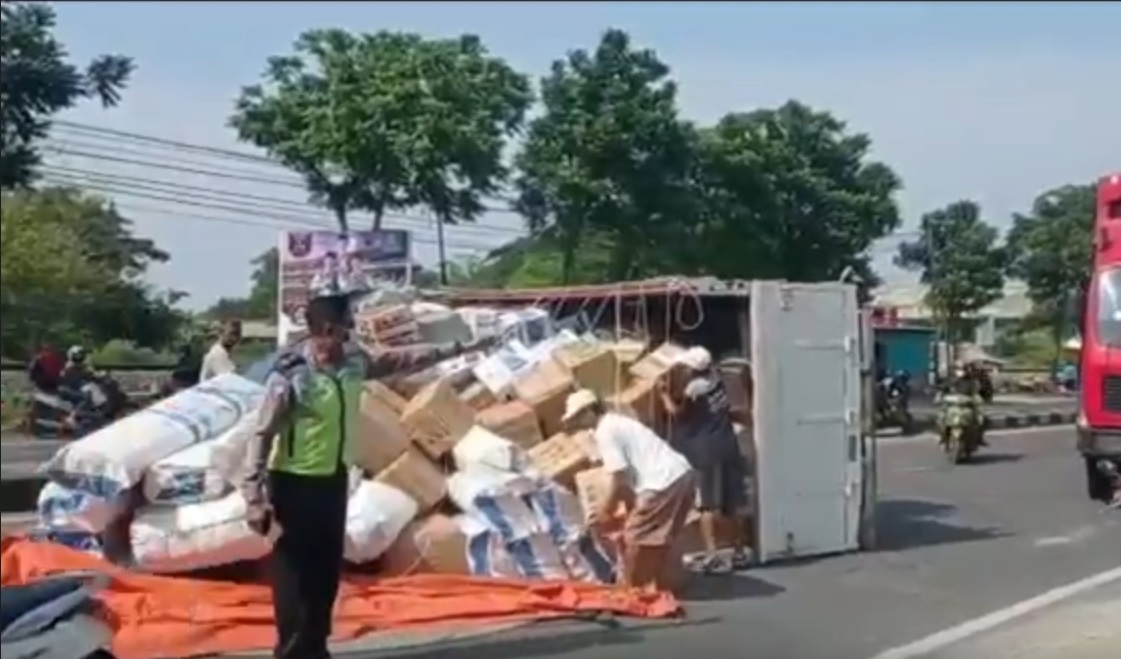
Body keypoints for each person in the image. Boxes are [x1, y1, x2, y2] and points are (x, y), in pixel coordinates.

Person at [242, 293, 463, 659]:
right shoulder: (293, 375)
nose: (353, 334)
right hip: (294, 485)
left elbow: (404, 359)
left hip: (333, 481)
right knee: (295, 575)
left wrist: (458, 347)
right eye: (348, 326)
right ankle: (293, 652)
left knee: (326, 572)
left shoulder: (355, 364)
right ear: (329, 329)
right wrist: (254, 498)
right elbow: (262, 433)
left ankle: (315, 647)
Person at [562, 388, 696, 592]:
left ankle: (630, 589)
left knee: (635, 536)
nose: (578, 423)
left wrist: (605, 511)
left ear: (590, 411)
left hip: (663, 481)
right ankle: (668, 584)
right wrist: (629, 507)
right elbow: (628, 480)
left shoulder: (605, 431)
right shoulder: (618, 422)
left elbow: (620, 478)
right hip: (682, 474)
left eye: (579, 417)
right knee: (661, 535)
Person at [660, 347, 752, 573]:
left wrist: (663, 393)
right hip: (727, 443)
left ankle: (713, 555)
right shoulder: (716, 379)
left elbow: (676, 412)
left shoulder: (694, 388)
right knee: (733, 503)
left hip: (706, 450)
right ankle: (739, 551)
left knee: (707, 505)